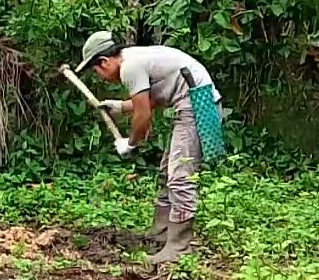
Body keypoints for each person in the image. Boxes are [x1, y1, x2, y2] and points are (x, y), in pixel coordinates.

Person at [74, 31, 223, 264]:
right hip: (188, 102)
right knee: (167, 172)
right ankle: (161, 233)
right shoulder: (134, 58)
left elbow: (144, 114)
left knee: (179, 176)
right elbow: (155, 96)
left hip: (195, 104)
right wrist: (121, 107)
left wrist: (130, 143)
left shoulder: (129, 67)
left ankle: (179, 246)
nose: (100, 77)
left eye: (97, 71)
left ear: (104, 62)